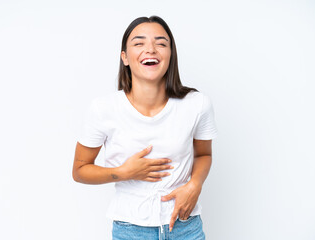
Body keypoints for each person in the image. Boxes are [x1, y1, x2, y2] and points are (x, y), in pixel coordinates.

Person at [73, 16, 218, 240]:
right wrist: (124, 173)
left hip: (185, 227)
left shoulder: (197, 104)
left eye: (161, 43)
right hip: (130, 230)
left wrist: (195, 185)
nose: (150, 49)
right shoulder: (103, 109)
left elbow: (204, 154)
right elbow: (80, 170)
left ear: (171, 55)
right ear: (125, 57)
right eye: (139, 43)